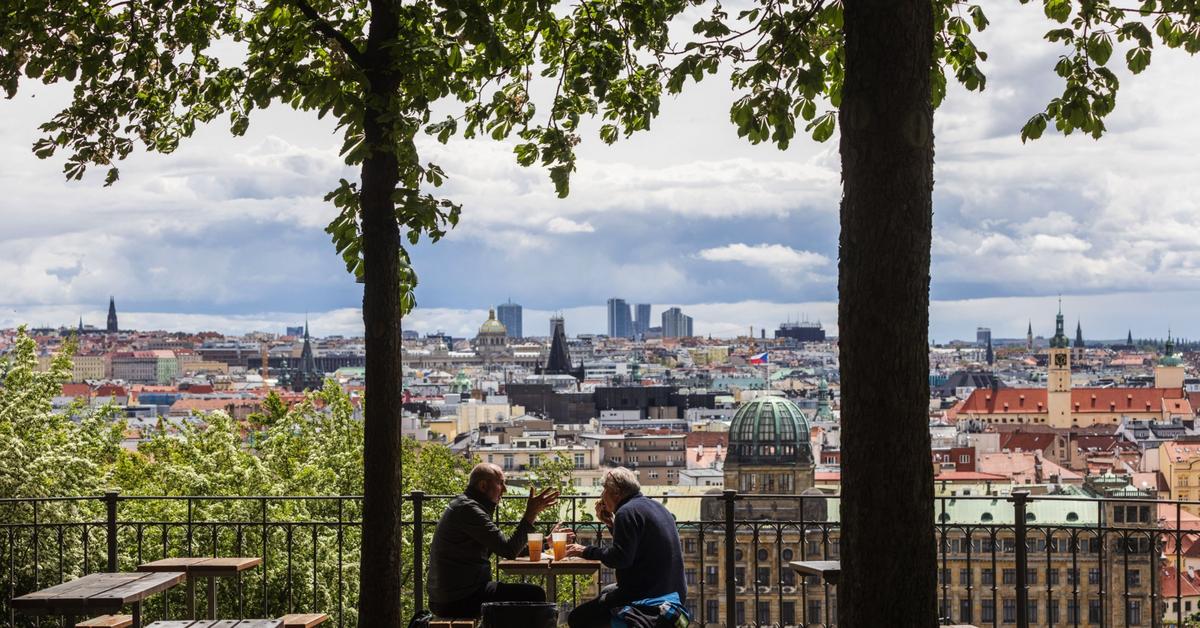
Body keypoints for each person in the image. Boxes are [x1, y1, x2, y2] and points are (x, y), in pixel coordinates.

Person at [427, 462, 564, 618]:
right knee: (535, 594)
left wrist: (546, 542)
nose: (504, 489)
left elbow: (504, 547)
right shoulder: (469, 510)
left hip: (453, 595)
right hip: (458, 598)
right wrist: (530, 514)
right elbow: (509, 550)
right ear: (483, 486)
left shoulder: (468, 506)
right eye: (500, 483)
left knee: (530, 594)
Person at [564, 467, 686, 628]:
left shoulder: (626, 512)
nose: (602, 496)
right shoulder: (654, 506)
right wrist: (611, 525)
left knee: (577, 617)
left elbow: (621, 558)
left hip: (648, 595)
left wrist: (584, 551)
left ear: (616, 493)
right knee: (607, 591)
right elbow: (635, 546)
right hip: (672, 591)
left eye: (604, 490)